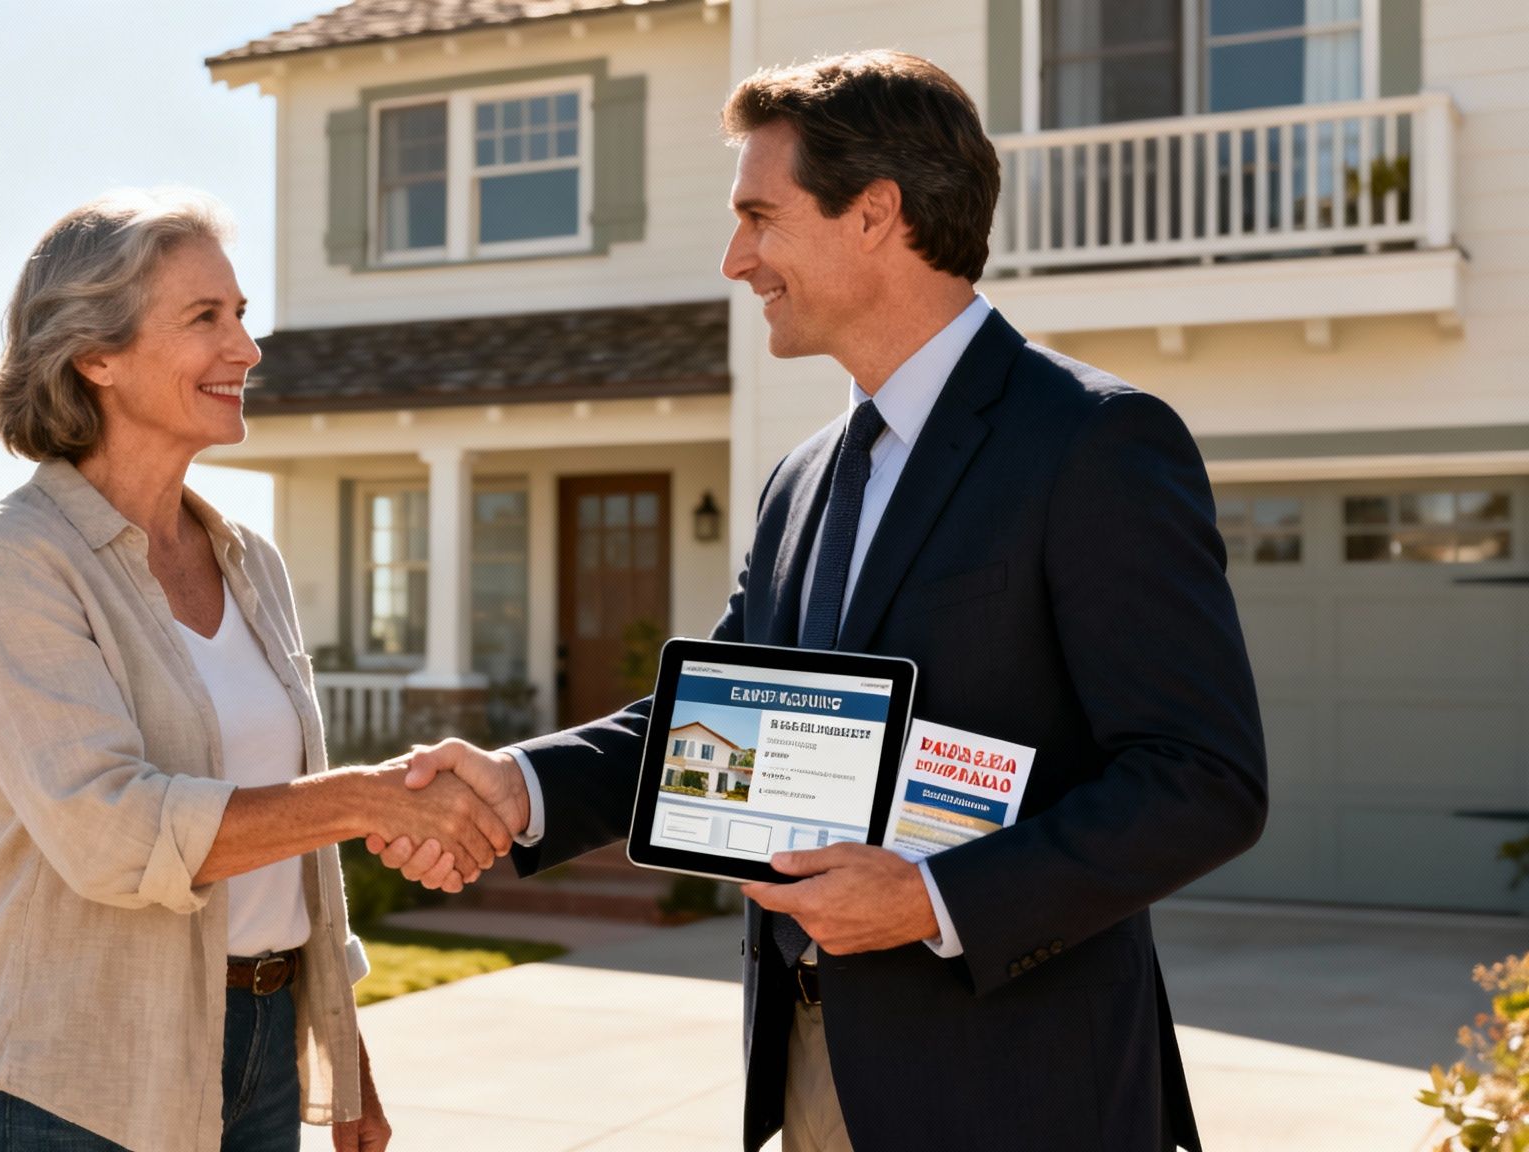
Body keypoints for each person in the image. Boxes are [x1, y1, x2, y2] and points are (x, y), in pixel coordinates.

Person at [370, 52, 1267, 1152]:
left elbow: (1201, 782)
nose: (734, 258)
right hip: (809, 1073)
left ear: (874, 215)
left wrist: (932, 900)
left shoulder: (1090, 443)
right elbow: (721, 723)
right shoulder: (801, 477)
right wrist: (519, 785)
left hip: (1020, 1090)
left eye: (759, 216)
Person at [0, 188, 510, 1152]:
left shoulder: (250, 561)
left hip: (263, 1055)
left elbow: (286, 847)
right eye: (206, 318)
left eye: (241, 315)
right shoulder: (14, 562)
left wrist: (341, 1045)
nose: (246, 349)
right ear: (96, 355)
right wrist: (369, 799)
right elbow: (113, 833)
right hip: (74, 1085)